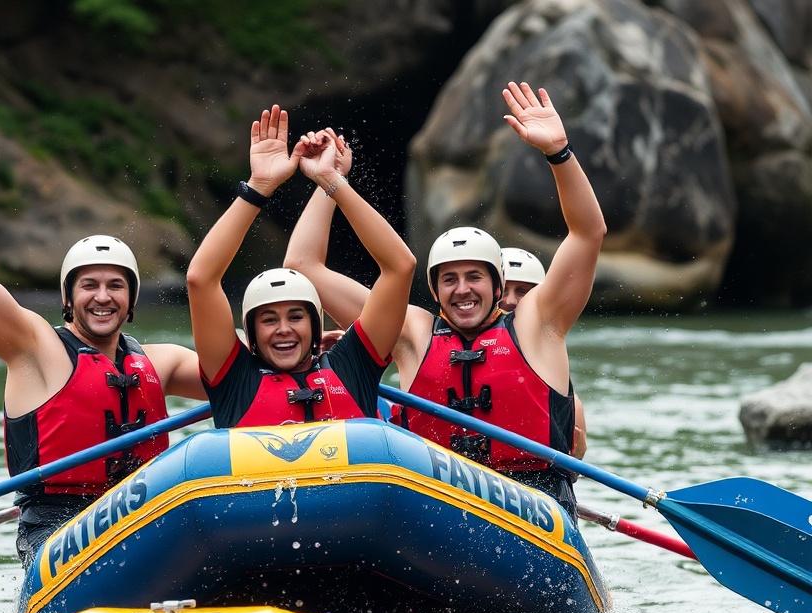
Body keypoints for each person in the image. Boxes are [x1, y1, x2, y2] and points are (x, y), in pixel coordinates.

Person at [284, 82, 605, 514]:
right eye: (449, 280)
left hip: (533, 503)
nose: (463, 289)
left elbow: (587, 234)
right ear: (434, 291)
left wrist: (559, 153)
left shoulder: (537, 322)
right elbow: (302, 269)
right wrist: (329, 183)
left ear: (497, 285)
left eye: (475, 276)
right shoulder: (411, 333)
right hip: (439, 504)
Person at [0, 113, 206, 568]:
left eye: (116, 286)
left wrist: (308, 348)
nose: (103, 297)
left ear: (132, 297)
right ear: (68, 296)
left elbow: (246, 378)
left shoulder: (162, 362)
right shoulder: (34, 347)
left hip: (144, 517)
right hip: (58, 530)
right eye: (89, 285)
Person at [186, 105, 416, 428]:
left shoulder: (353, 366)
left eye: (296, 316)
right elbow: (200, 279)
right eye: (269, 319)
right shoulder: (232, 378)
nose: (284, 329)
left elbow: (400, 266)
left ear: (315, 325)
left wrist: (332, 181)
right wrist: (259, 187)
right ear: (250, 333)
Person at [500, 247, 587, 459]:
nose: (510, 301)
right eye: (503, 290)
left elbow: (575, 461)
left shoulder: (566, 397)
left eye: (522, 291)